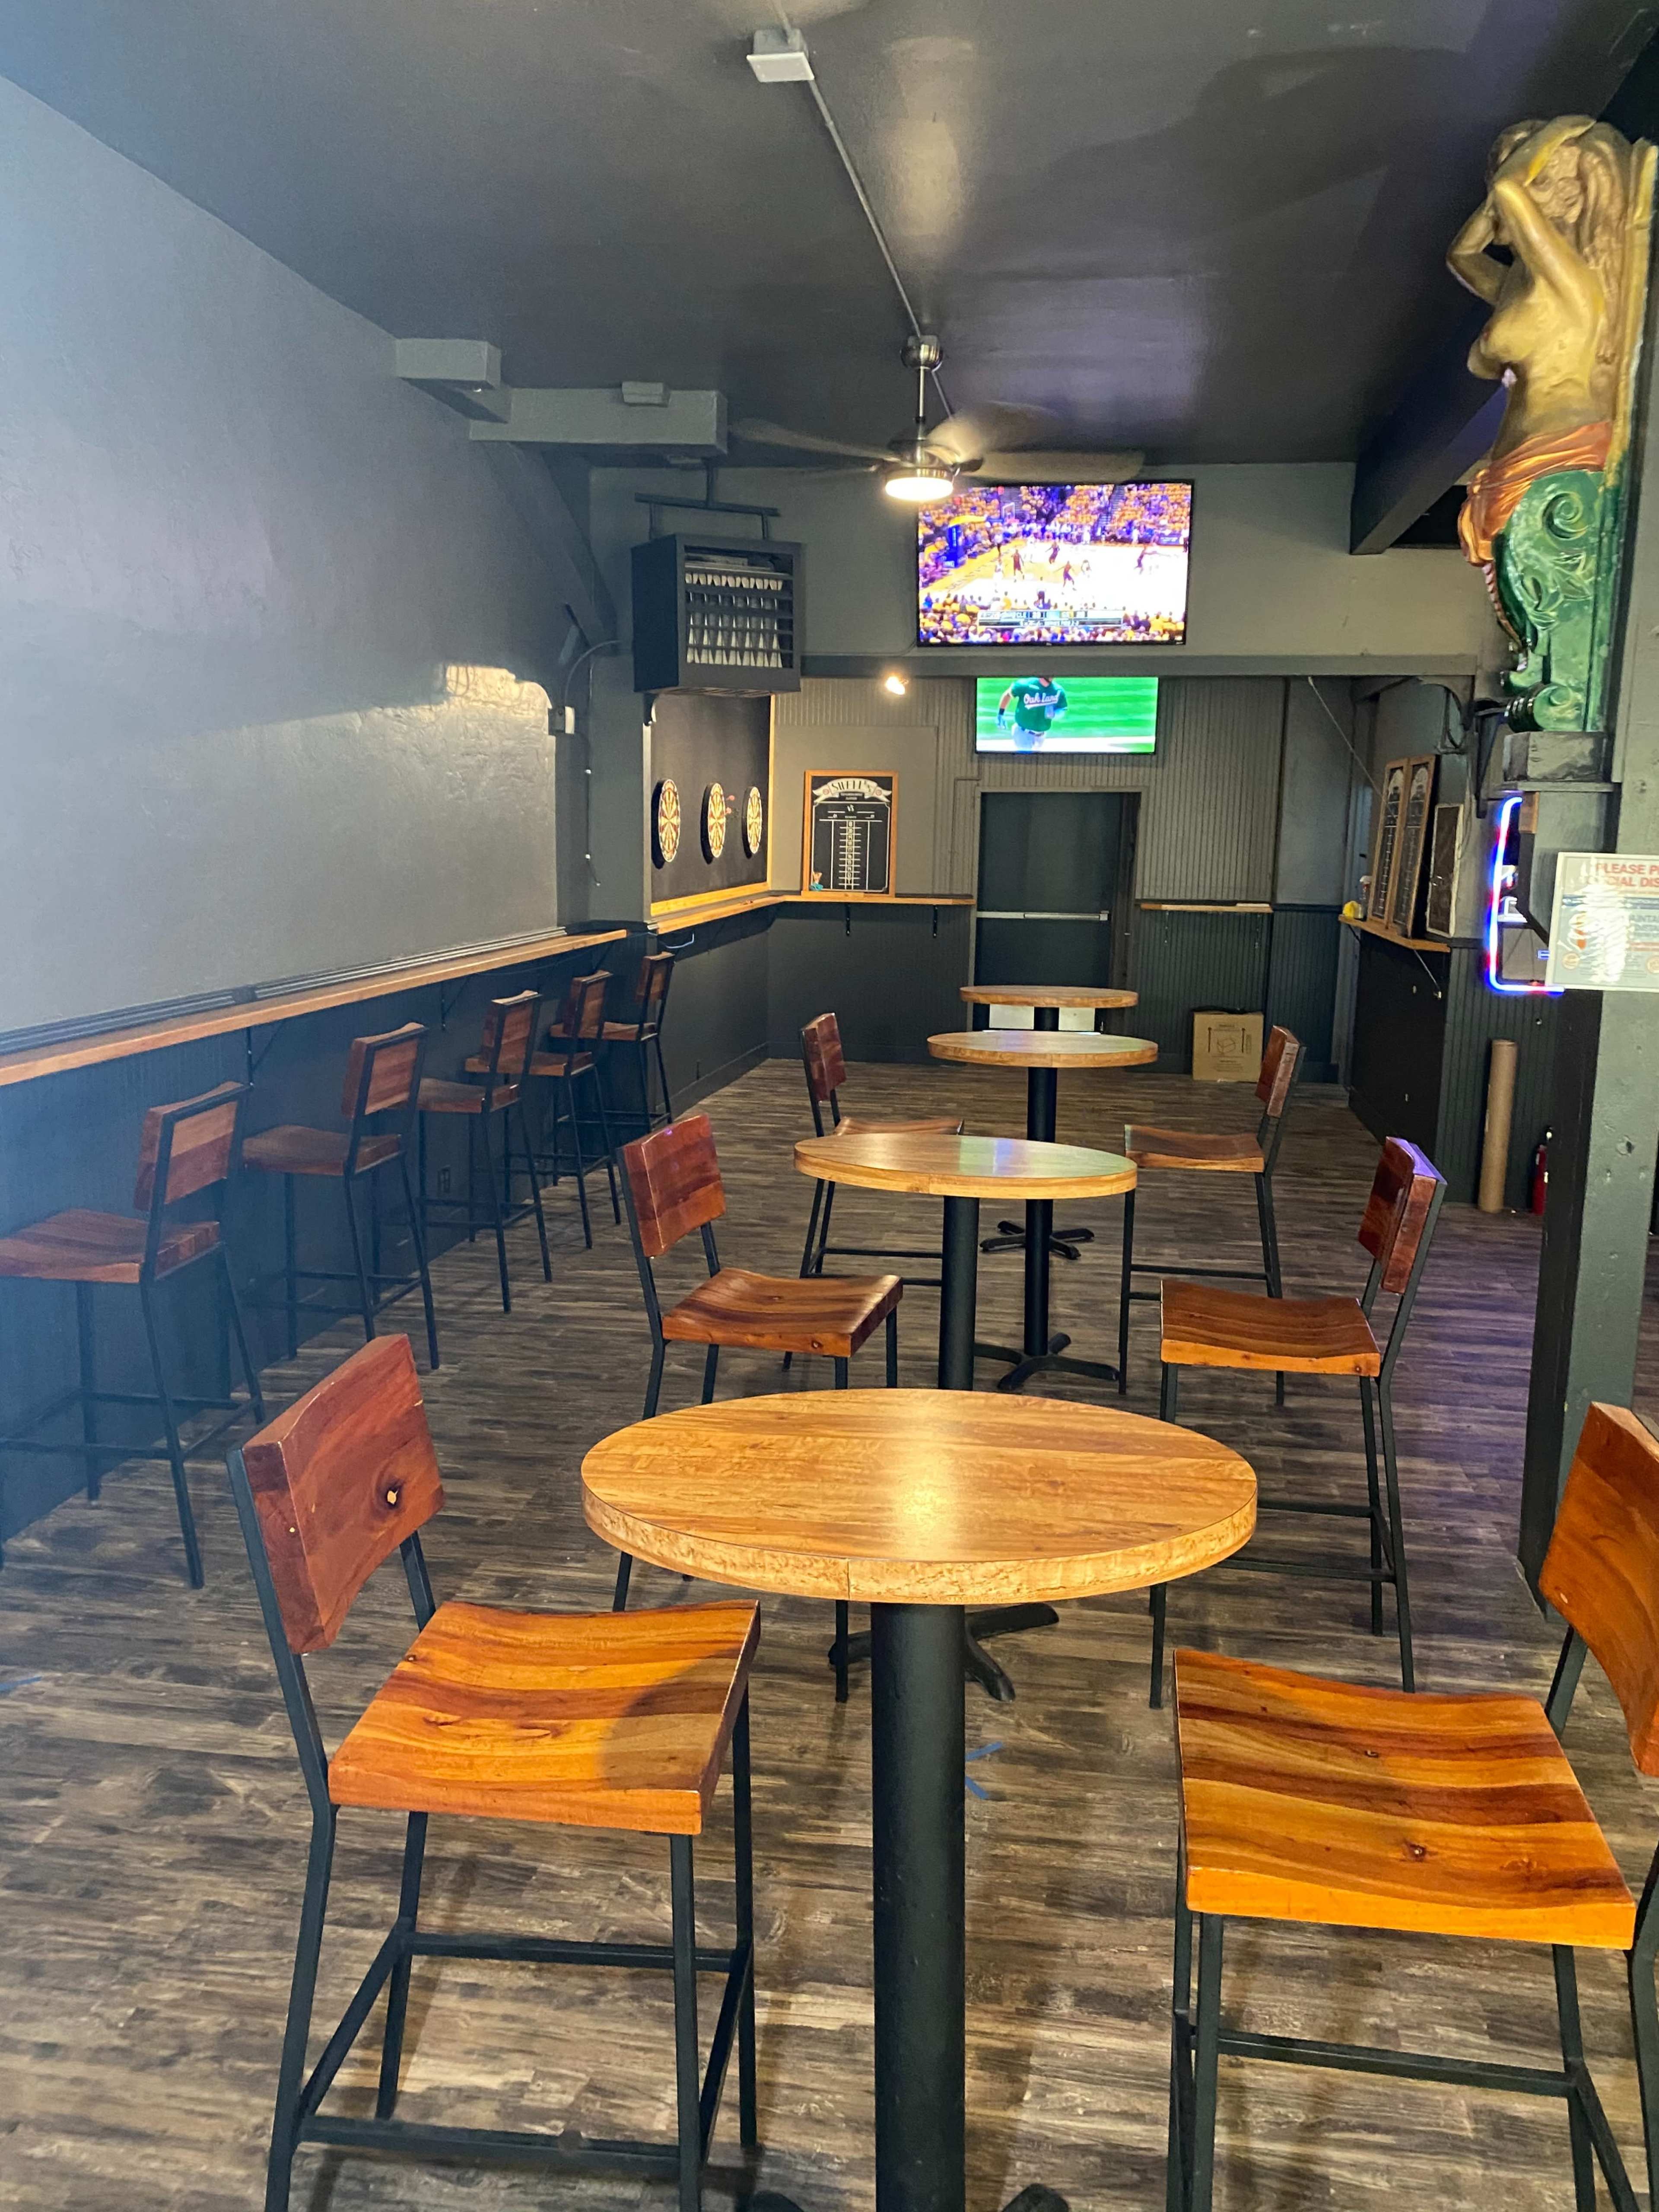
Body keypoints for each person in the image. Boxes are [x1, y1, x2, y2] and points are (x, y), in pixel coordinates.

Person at [997, 673, 1067, 750]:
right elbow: (1008, 695)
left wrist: (1055, 714)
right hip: (1023, 733)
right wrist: (1001, 714)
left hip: (1041, 735)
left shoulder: (1058, 690)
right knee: (1026, 759)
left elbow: (1062, 709)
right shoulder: (1025, 685)